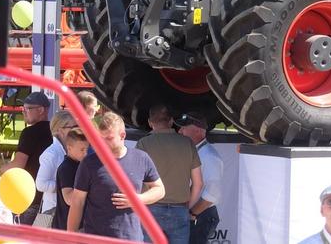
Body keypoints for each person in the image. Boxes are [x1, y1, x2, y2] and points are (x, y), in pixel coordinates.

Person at [67, 112, 165, 239]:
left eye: (108, 138)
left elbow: (160, 189)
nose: (103, 143)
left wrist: (138, 199)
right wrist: (70, 236)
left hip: (130, 237)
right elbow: (77, 201)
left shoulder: (141, 158)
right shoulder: (89, 163)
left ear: (122, 135)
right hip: (96, 238)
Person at [136, 104, 202, 244]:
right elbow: (199, 183)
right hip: (180, 210)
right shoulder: (187, 143)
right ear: (171, 121)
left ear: (150, 122)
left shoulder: (143, 144)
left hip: (150, 209)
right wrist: (187, 207)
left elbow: (136, 180)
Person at [5, 91, 52, 225]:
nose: (23, 112)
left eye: (27, 109)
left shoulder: (29, 133)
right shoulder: (55, 132)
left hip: (27, 199)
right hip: (47, 201)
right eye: (23, 108)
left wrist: (3, 168)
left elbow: (18, 165)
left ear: (41, 110)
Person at [177, 112, 223, 244]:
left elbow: (213, 194)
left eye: (184, 128)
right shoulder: (197, 152)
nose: (180, 131)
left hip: (201, 214)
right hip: (195, 213)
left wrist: (192, 213)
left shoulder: (209, 156)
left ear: (197, 131)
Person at [35, 110, 77, 227]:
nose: (76, 130)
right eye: (73, 126)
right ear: (60, 130)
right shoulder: (51, 154)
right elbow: (40, 184)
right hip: (53, 211)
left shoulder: (69, 150)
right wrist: (64, 187)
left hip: (65, 210)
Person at [55, 128, 90, 232]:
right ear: (69, 148)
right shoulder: (67, 168)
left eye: (87, 149)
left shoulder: (80, 165)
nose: (85, 153)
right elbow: (69, 199)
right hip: (65, 226)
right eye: (82, 149)